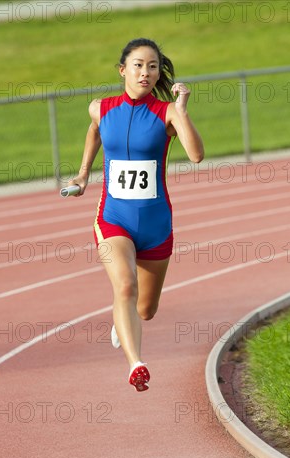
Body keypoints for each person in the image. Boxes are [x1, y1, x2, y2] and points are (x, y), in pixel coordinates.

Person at [68, 38, 204, 392]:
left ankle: (124, 318)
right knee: (124, 285)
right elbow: (95, 132)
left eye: (153, 66)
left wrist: (182, 109)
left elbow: (196, 155)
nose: (146, 72)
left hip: (156, 224)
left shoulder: (167, 112)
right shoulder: (100, 108)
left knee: (145, 309)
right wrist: (83, 174)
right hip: (114, 218)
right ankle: (136, 363)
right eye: (139, 65)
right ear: (123, 70)